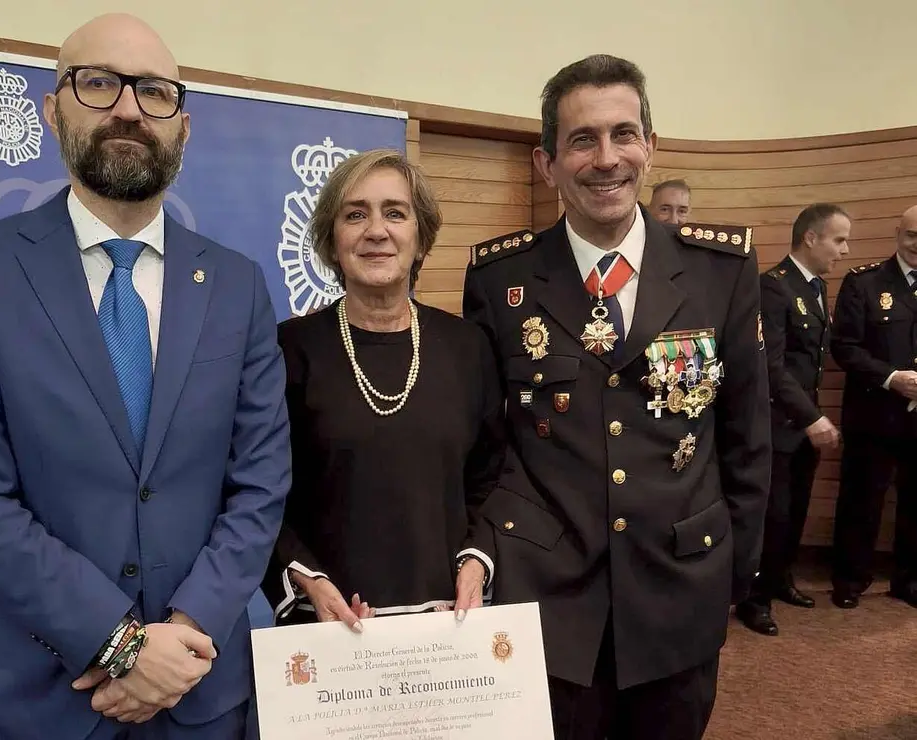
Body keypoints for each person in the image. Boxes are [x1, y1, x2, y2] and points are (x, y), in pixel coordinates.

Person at [0, 13, 291, 740]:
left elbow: (261, 481)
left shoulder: (237, 285)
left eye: (153, 91)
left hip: (201, 687)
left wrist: (180, 635)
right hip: (34, 695)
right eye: (98, 83)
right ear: (53, 110)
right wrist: (120, 647)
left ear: (183, 124)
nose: (127, 107)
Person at [461, 54, 770, 740]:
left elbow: (748, 436)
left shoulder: (721, 269)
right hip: (547, 596)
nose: (606, 159)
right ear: (547, 163)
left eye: (622, 134)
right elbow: (489, 444)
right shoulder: (498, 279)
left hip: (678, 590)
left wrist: (732, 573)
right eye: (581, 140)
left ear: (650, 147)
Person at [260, 149, 505, 630]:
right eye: (356, 214)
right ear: (333, 239)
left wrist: (477, 560)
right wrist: (307, 578)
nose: (377, 230)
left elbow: (492, 478)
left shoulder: (468, 347)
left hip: (448, 630)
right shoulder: (287, 348)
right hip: (329, 632)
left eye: (395, 213)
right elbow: (260, 489)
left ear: (421, 235)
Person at [735, 203, 848, 636]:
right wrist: (811, 417)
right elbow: (772, 366)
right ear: (811, 238)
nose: (844, 249)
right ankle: (754, 599)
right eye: (838, 239)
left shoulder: (816, 288)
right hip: (777, 425)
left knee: (796, 510)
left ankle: (781, 581)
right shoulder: (774, 287)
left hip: (801, 427)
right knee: (773, 516)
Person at [830, 204, 917, 610]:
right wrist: (891, 378)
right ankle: (850, 579)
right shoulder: (863, 283)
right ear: (898, 233)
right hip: (874, 415)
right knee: (861, 501)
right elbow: (844, 347)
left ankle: (908, 580)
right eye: (912, 234)